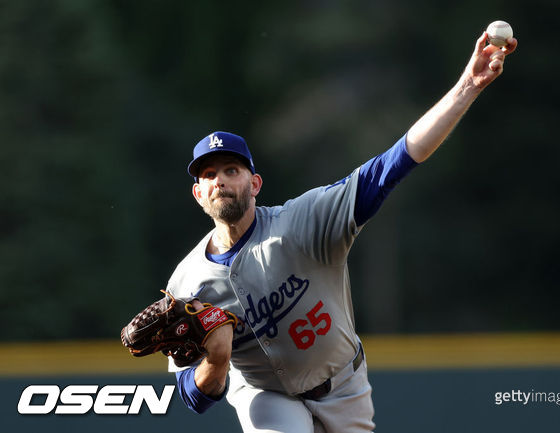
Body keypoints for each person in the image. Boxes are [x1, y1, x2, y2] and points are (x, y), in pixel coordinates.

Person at [166, 31, 517, 432]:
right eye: (209, 175)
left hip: (344, 386)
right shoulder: (187, 283)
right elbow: (191, 396)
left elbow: (394, 162)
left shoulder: (303, 222)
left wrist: (466, 87)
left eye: (231, 170)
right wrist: (215, 362)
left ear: (255, 183)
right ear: (198, 194)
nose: (220, 181)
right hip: (264, 394)